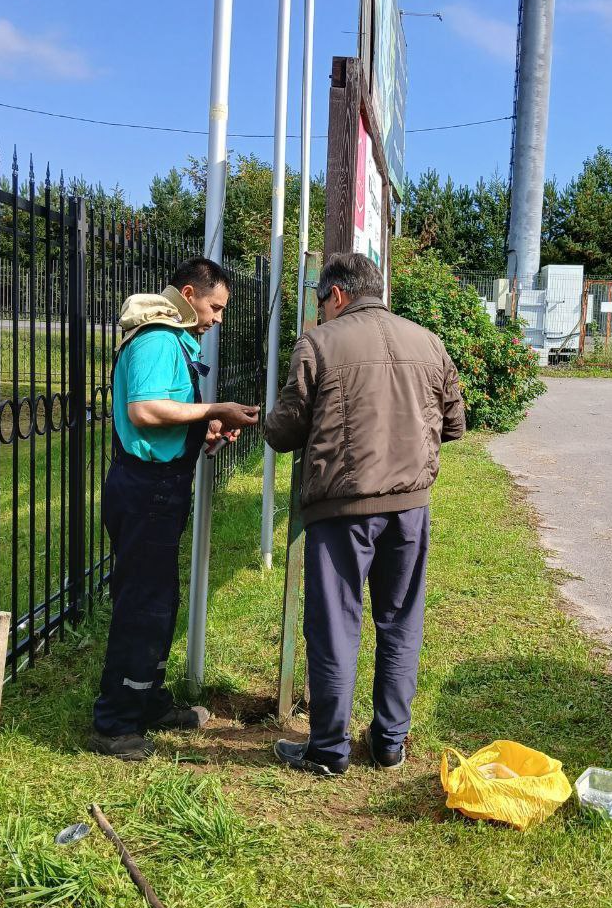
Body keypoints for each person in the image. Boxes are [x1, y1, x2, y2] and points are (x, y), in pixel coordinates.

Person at [264, 251, 465, 776]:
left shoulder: (318, 343)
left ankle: (329, 750)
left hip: (340, 508)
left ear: (335, 294)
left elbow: (285, 430)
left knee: (335, 624)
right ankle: (389, 743)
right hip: (409, 507)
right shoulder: (428, 340)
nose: (320, 310)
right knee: (401, 620)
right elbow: (455, 422)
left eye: (320, 301)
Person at [89, 257, 259, 761]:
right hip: (146, 490)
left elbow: (163, 415)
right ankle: (115, 722)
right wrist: (213, 411)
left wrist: (199, 431)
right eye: (215, 307)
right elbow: (144, 410)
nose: (217, 319)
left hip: (157, 487)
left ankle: (147, 699)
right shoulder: (159, 338)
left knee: (159, 603)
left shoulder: (170, 338)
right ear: (189, 293)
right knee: (143, 605)